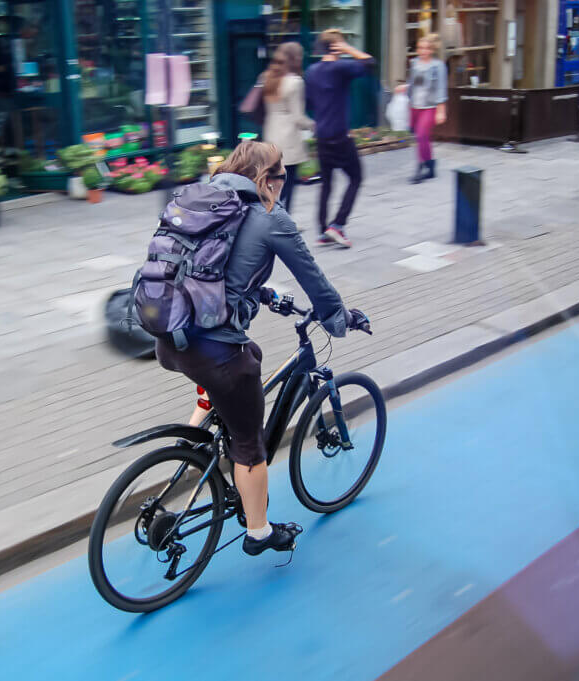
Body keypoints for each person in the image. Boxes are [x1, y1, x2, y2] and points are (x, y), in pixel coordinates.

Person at [155, 142, 366, 556]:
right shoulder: (270, 215)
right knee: (248, 438)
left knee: (246, 362)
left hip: (168, 336)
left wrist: (264, 292)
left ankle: (194, 447)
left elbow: (209, 269)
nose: (285, 183)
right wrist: (340, 319)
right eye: (282, 175)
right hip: (213, 350)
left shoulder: (204, 199)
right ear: (264, 178)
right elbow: (315, 281)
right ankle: (258, 532)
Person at [305, 29, 376, 249]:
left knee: (327, 184)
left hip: (322, 136)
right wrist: (349, 49)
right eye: (341, 44)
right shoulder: (341, 67)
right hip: (339, 136)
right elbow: (371, 63)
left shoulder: (311, 71)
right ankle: (337, 225)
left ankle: (322, 231)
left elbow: (308, 103)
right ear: (336, 47)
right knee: (356, 178)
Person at [261, 42, 314, 213]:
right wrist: (313, 125)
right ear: (296, 59)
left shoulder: (267, 77)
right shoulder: (295, 82)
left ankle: (271, 218)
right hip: (288, 139)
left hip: (270, 135)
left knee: (273, 184)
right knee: (288, 185)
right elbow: (298, 117)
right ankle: (284, 223)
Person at [397, 34, 447, 184]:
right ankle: (431, 165)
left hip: (430, 107)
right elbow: (415, 83)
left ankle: (420, 169)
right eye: (420, 48)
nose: (423, 51)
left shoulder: (438, 66)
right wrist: (405, 87)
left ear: (432, 50)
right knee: (421, 137)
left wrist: (441, 110)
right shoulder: (415, 63)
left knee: (421, 135)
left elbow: (441, 89)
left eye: (426, 48)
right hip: (414, 106)